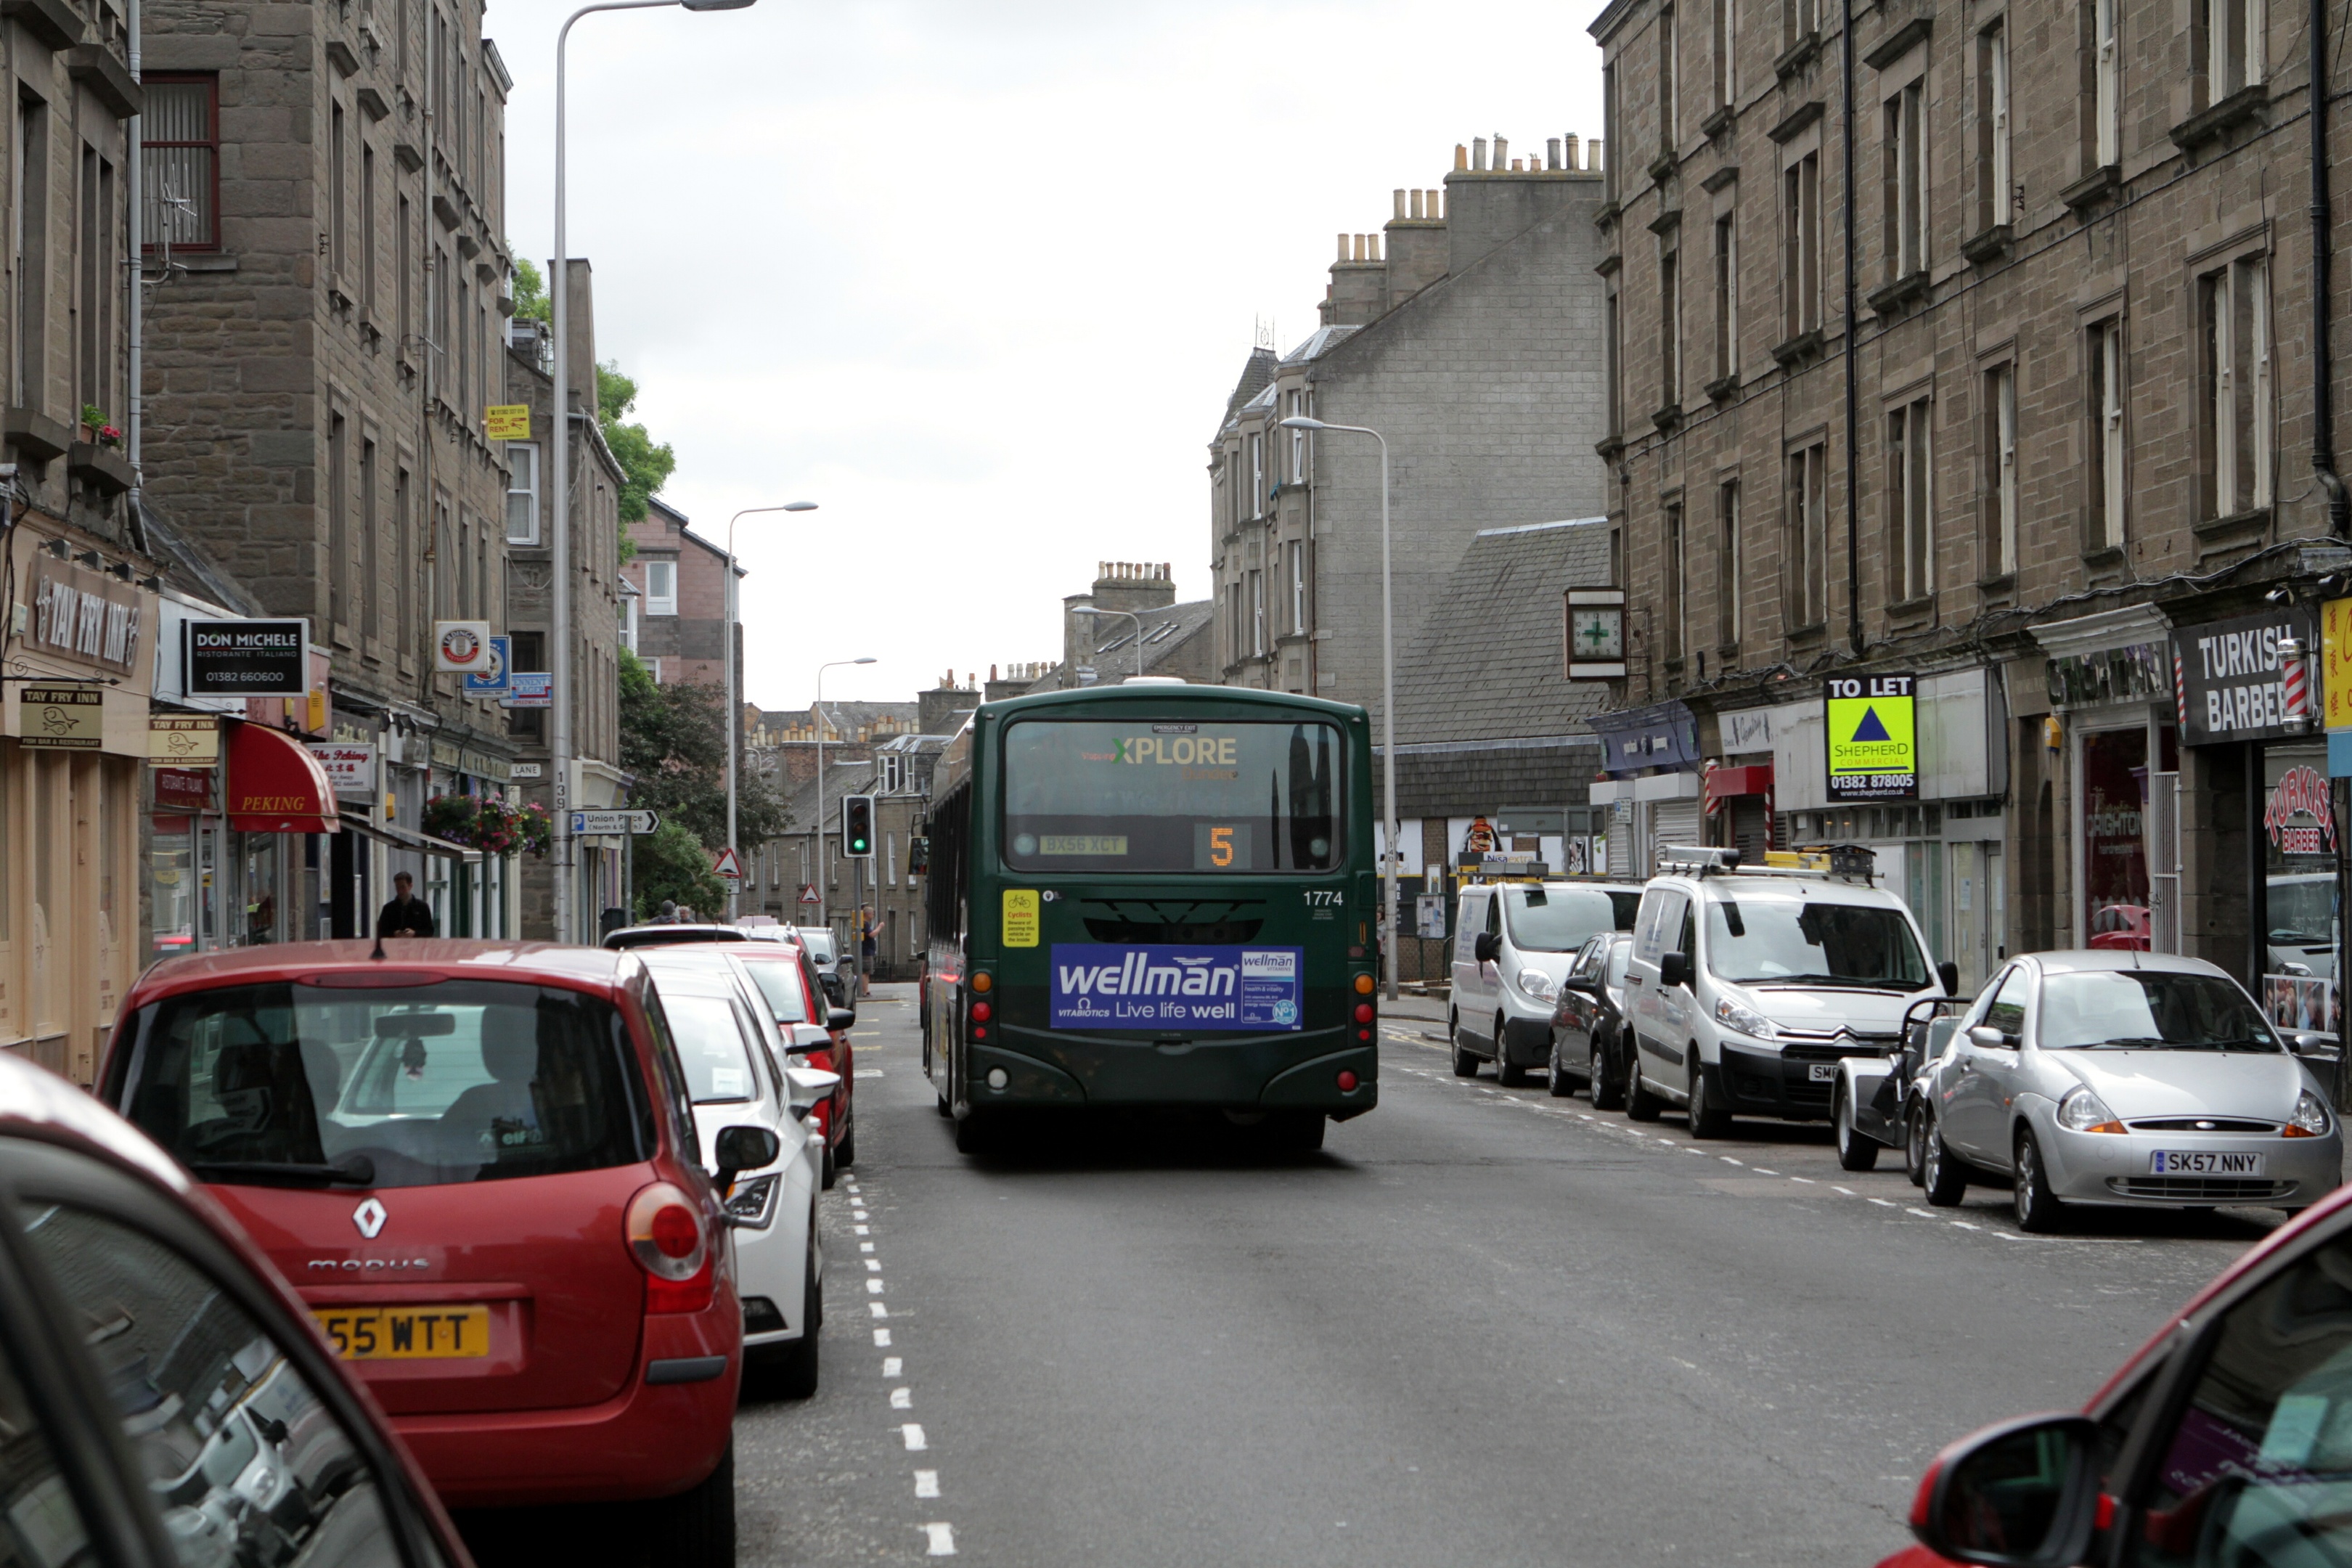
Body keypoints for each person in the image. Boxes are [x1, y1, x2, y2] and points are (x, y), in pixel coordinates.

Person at [375, 872, 436, 939]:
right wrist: (394, 934)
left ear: (410, 886)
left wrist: (415, 933)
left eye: (403, 887)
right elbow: (381, 932)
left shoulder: (422, 907)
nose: (400, 891)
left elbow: (430, 932)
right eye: (397, 888)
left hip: (416, 946)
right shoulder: (388, 909)